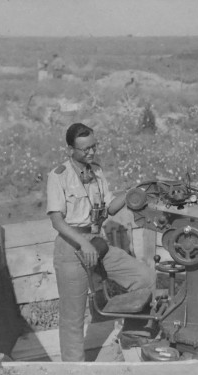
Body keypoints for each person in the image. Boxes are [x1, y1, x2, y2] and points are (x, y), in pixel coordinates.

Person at [46, 123, 156, 362]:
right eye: (85, 149)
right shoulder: (58, 176)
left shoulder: (97, 172)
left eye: (94, 147)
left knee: (145, 278)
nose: (91, 153)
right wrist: (82, 244)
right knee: (73, 317)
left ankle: (132, 335)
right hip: (70, 245)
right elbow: (56, 221)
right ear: (70, 150)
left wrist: (130, 193)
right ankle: (76, 372)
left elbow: (109, 209)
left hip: (96, 242)